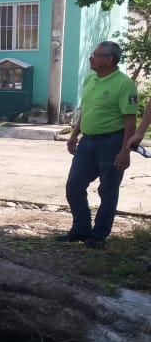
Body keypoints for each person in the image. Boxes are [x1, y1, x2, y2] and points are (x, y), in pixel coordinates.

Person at [58, 41, 138, 249]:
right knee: (74, 185)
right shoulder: (89, 80)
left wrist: (125, 151)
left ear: (109, 59)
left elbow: (130, 120)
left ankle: (99, 235)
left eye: (95, 55)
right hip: (87, 142)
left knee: (108, 190)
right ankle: (80, 229)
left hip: (112, 143)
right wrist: (74, 134)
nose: (91, 58)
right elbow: (86, 110)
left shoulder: (124, 84)